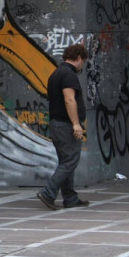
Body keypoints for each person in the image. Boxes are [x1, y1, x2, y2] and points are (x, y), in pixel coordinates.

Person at [37, 44, 90, 211]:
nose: (82, 66)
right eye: (83, 61)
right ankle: (48, 193)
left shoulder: (56, 73)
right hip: (65, 125)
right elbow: (69, 100)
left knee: (66, 161)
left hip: (57, 124)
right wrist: (76, 124)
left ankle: (70, 197)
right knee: (70, 161)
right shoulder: (68, 74)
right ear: (79, 58)